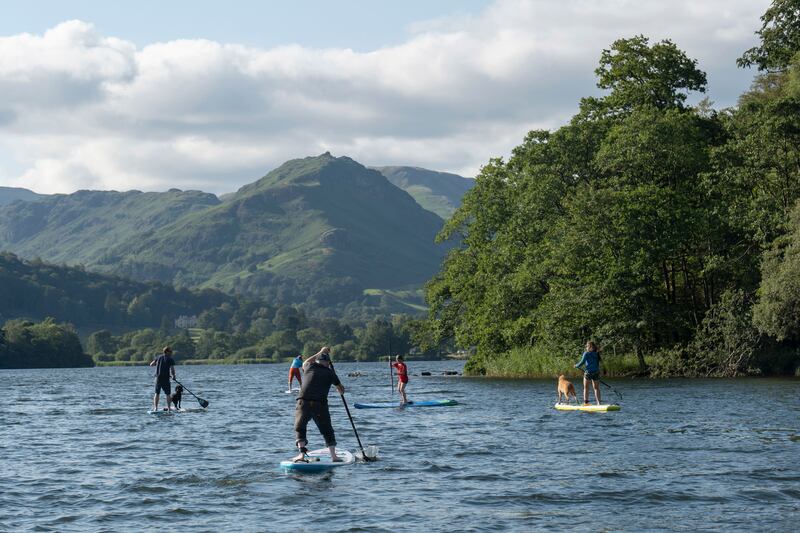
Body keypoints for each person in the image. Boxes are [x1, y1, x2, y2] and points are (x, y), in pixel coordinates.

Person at [292, 346, 345, 463]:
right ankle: (334, 456)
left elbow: (306, 361)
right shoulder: (330, 373)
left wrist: (320, 351)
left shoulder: (309, 366)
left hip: (303, 403)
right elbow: (341, 389)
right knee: (327, 430)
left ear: (317, 361)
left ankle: (301, 455)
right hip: (319, 405)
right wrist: (339, 389)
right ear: (327, 363)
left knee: (300, 428)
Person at [149, 346, 176, 411]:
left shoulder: (158, 357)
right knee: (168, 394)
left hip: (158, 378)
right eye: (170, 352)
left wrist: (159, 364)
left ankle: (155, 408)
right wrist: (173, 376)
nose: (171, 353)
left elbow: (151, 364)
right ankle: (169, 408)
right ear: (166, 352)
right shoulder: (170, 359)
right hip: (165, 379)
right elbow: (172, 369)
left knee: (157, 393)